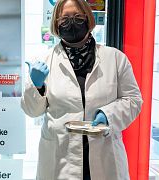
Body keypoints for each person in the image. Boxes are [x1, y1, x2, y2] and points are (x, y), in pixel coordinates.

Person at [21, 0, 143, 179]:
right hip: (61, 158)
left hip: (104, 154)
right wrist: (36, 85)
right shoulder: (45, 61)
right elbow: (32, 111)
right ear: (56, 23)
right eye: (65, 19)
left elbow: (133, 100)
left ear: (88, 19)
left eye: (78, 17)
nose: (71, 23)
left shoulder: (115, 59)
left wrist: (108, 114)